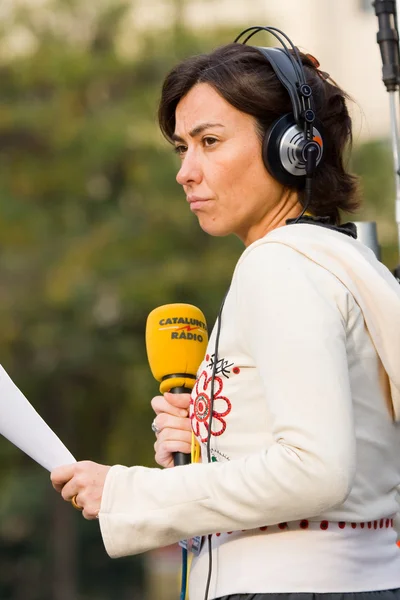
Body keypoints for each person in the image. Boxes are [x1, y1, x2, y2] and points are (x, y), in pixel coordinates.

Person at [51, 32, 400, 600]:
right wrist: (220, 440)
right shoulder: (342, 261)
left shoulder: (278, 267)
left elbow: (315, 469)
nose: (187, 171)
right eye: (181, 148)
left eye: (209, 141)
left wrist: (127, 492)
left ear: (292, 148)